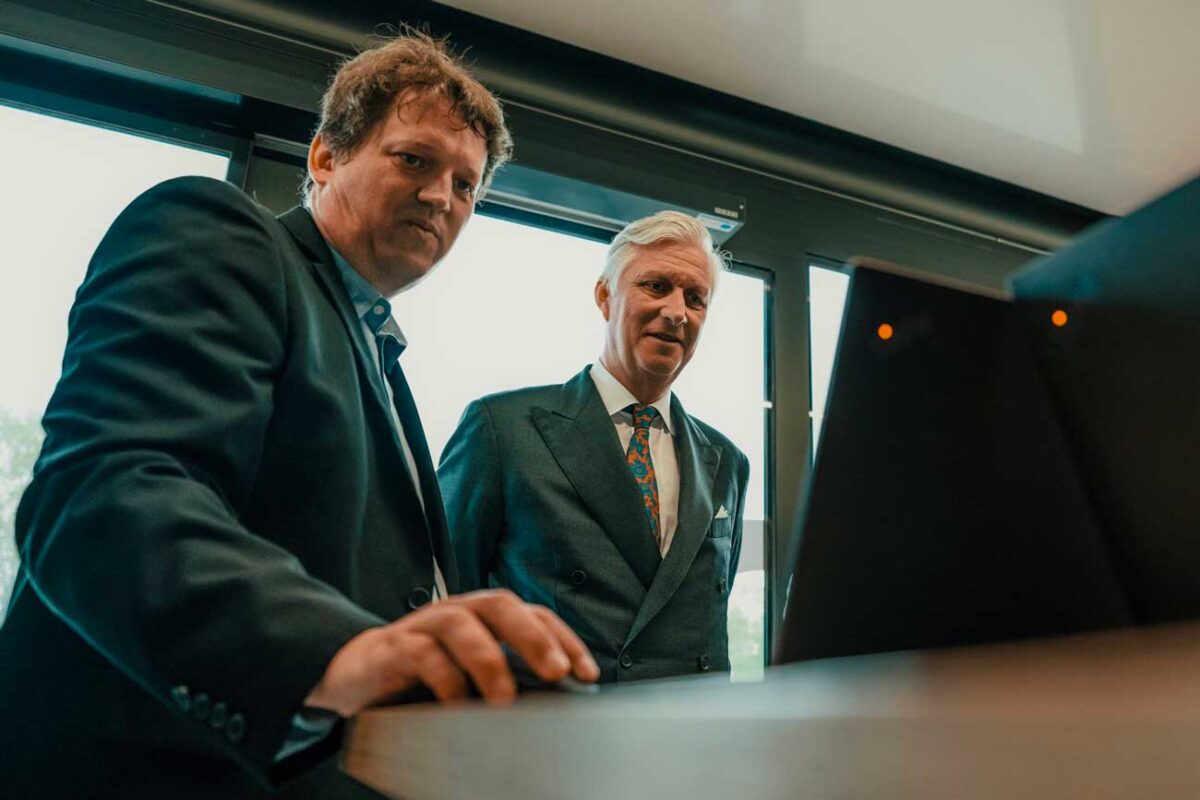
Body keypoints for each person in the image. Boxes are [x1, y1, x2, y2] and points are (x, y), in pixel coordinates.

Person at [0, 32, 597, 800]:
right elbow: (108, 493)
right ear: (323, 158)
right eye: (415, 160)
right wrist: (336, 652)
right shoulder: (219, 235)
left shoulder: (383, 359)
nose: (442, 197)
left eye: (466, 185)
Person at [439, 211, 750, 683]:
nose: (676, 311)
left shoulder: (728, 461)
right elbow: (445, 597)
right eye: (656, 286)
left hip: (689, 741)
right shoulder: (501, 429)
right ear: (605, 296)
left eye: (696, 298)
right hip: (551, 734)